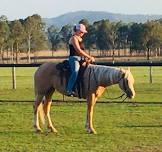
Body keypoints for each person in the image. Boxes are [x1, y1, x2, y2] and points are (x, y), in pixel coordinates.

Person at [66, 23, 95, 96]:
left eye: (83, 32)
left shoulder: (80, 39)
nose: (83, 33)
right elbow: (78, 50)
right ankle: (69, 90)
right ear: (77, 30)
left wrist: (87, 58)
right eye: (81, 32)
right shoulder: (73, 38)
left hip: (81, 59)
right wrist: (89, 56)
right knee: (75, 71)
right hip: (74, 59)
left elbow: (82, 51)